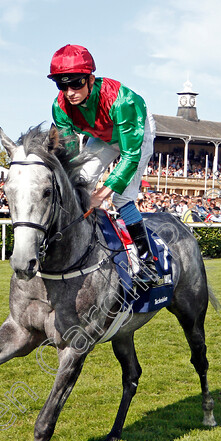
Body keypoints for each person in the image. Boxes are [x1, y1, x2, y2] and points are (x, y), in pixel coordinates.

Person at [47, 44, 158, 284]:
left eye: (76, 83)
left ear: (90, 79)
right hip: (102, 134)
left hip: (136, 131)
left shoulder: (123, 101)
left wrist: (101, 195)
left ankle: (148, 261)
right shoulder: (61, 107)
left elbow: (130, 156)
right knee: (81, 183)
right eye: (62, 85)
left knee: (121, 198)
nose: (69, 92)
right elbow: (71, 158)